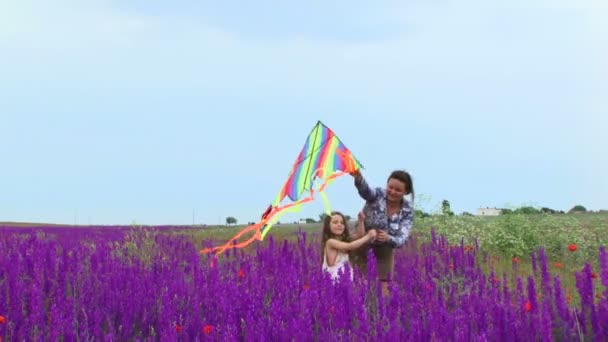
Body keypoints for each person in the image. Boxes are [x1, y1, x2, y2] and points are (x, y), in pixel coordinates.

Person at [349, 169, 415, 294]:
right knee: (360, 287)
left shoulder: (408, 211)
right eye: (390, 187)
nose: (392, 192)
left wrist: (388, 238)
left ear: (405, 192)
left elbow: (402, 239)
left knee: (385, 290)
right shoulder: (378, 194)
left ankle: (382, 313)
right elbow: (365, 191)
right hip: (362, 246)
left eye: (398, 190)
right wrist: (358, 178)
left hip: (384, 251)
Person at [321, 211, 377, 283]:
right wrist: (368, 236)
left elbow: (359, 235)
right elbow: (350, 246)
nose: (339, 224)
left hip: (346, 278)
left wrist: (361, 221)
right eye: (335, 222)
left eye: (342, 223)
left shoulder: (344, 240)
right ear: (328, 226)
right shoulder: (330, 242)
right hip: (333, 280)